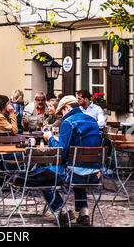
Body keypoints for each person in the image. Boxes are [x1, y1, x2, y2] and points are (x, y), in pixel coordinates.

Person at [42, 95, 101, 226]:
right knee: (78, 168)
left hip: (73, 175)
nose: (62, 116)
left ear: (67, 108)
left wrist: (50, 138)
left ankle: (63, 211)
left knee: (43, 174)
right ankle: (84, 213)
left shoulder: (68, 122)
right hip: (94, 175)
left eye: (62, 111)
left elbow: (61, 153)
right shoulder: (92, 121)